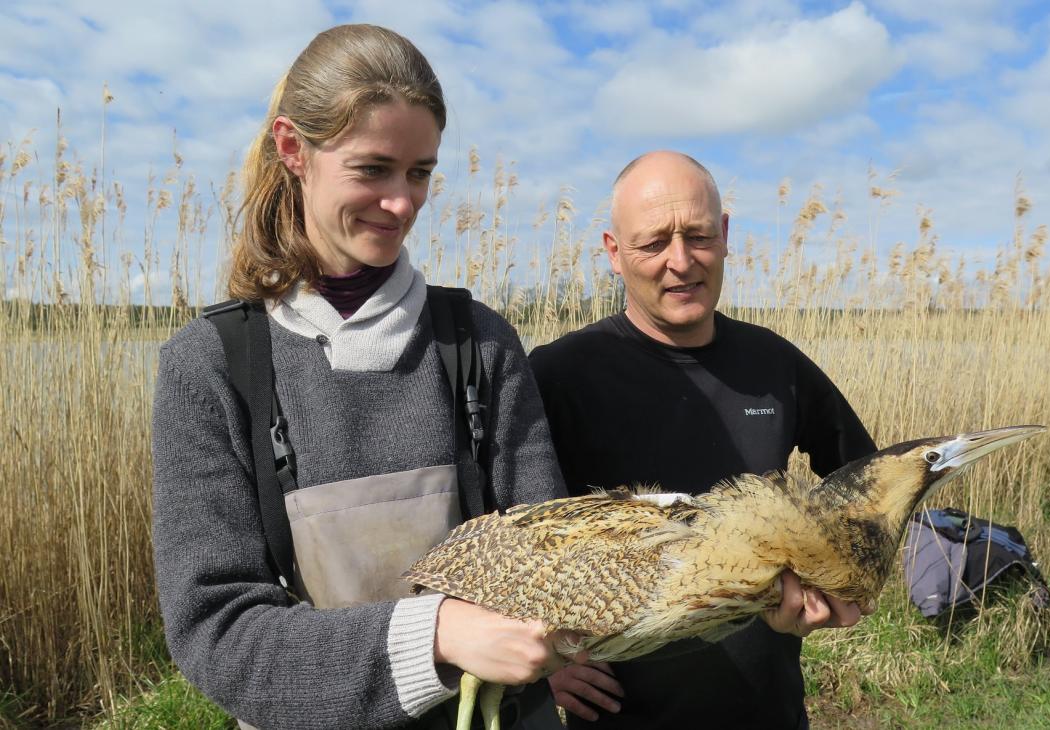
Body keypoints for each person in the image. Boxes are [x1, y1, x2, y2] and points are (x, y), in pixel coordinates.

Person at [151, 24, 568, 729]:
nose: (403, 204)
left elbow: (550, 561)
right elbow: (217, 633)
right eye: (373, 169)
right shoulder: (211, 365)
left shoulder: (481, 343)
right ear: (293, 149)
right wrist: (435, 634)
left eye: (420, 173)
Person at [529, 151, 878, 730]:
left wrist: (835, 577)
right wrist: (539, 668)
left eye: (697, 235)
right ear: (614, 253)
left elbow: (868, 483)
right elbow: (499, 532)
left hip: (768, 708)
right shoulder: (559, 375)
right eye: (653, 243)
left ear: (724, 234)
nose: (680, 261)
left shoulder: (773, 363)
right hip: (621, 714)